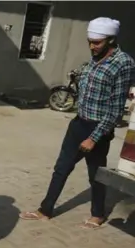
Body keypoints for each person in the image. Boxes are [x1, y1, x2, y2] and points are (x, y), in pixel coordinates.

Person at [20, 17, 135, 229]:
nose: (92, 46)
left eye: (97, 42)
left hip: (98, 129)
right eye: (90, 41)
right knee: (61, 168)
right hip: (78, 123)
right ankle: (45, 210)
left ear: (111, 40)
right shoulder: (94, 58)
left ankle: (98, 214)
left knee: (96, 174)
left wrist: (93, 138)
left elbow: (116, 109)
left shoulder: (124, 63)